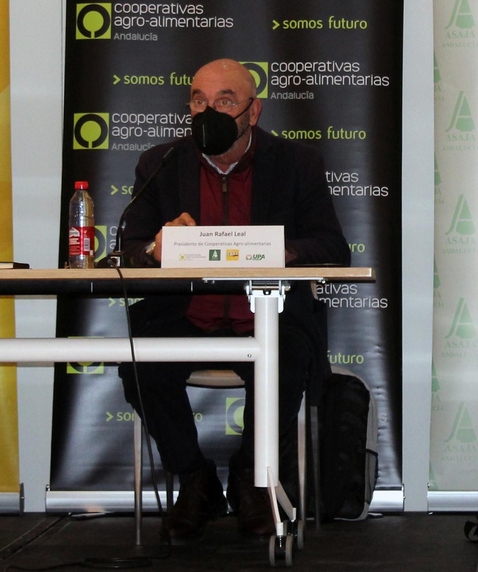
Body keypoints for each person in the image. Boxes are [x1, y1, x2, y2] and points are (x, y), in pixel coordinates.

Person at [118, 58, 349, 542]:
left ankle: (250, 477)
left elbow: (332, 248)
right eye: (199, 101)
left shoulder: (295, 163)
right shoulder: (161, 162)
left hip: (267, 317)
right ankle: (194, 478)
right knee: (140, 362)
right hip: (184, 315)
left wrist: (276, 251)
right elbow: (129, 250)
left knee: (290, 359)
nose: (210, 112)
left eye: (224, 101)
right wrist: (156, 248)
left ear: (253, 111)